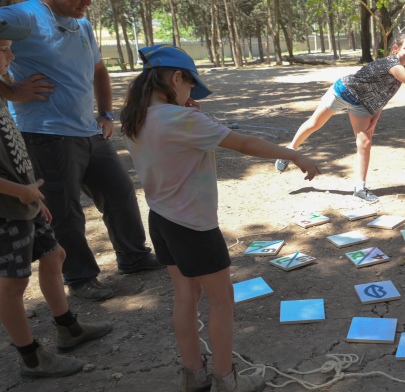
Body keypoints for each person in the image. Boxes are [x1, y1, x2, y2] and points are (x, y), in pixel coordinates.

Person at [121, 44, 319, 392]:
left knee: (185, 298)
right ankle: (227, 380)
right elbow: (242, 143)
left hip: (162, 221)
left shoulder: (135, 119)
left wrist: (189, 111)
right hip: (194, 226)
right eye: (189, 88)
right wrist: (292, 153)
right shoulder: (182, 119)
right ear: (177, 77)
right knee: (221, 300)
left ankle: (193, 375)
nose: (190, 95)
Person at [0, 0, 164, 301]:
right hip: (45, 133)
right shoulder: (22, 15)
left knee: (120, 192)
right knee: (65, 211)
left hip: (89, 130)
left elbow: (99, 70)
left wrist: (105, 113)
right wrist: (10, 91)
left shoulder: (84, 24)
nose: (89, 2)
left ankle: (134, 256)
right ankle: (80, 277)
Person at [0, 18, 112, 379]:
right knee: (12, 284)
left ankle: (68, 327)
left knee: (55, 254)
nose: (11, 54)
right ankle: (31, 357)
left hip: (25, 197)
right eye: (2, 49)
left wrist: (33, 193)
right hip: (7, 205)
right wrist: (22, 191)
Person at [276, 32, 405, 203]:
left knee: (365, 142)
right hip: (343, 92)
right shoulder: (394, 66)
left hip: (361, 105)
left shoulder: (401, 70)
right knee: (314, 124)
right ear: (395, 48)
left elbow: (382, 96)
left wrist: (375, 119)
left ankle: (360, 188)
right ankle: (289, 150)